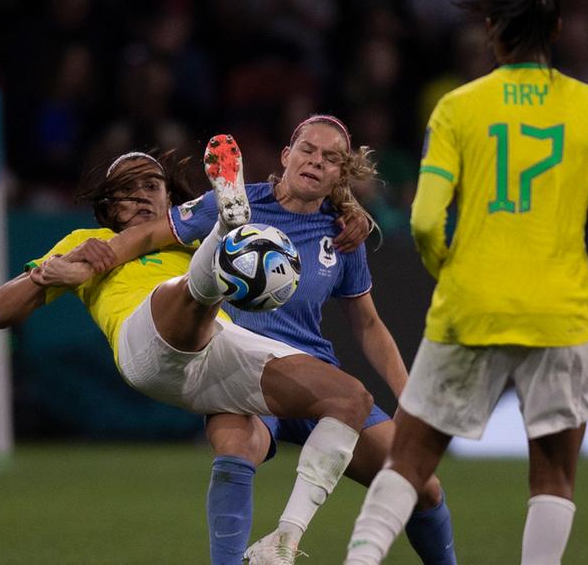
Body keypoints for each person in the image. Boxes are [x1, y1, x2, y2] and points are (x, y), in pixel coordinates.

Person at [343, 0, 588, 564]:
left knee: (409, 459)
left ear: (490, 32)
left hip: (470, 305)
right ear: (557, 28)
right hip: (559, 313)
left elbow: (426, 219)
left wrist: (448, 268)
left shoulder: (457, 108)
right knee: (553, 475)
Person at [0, 139, 371, 565]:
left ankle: (283, 540)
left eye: (151, 186)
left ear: (169, 197)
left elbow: (298, 206)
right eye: (126, 191)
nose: (140, 197)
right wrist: (44, 274)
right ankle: (226, 236)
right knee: (190, 288)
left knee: (350, 398)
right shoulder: (90, 241)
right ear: (109, 207)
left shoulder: (186, 235)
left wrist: (348, 210)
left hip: (217, 352)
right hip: (147, 347)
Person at [93, 115, 457, 564]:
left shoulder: (343, 234)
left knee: (421, 484)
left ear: (340, 175)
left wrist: (409, 398)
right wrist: (94, 261)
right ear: (286, 156)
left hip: (314, 380)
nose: (315, 161)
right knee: (236, 446)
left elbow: (367, 324)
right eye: (307, 150)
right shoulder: (234, 205)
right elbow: (151, 233)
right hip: (238, 373)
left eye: (330, 158)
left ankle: (285, 543)